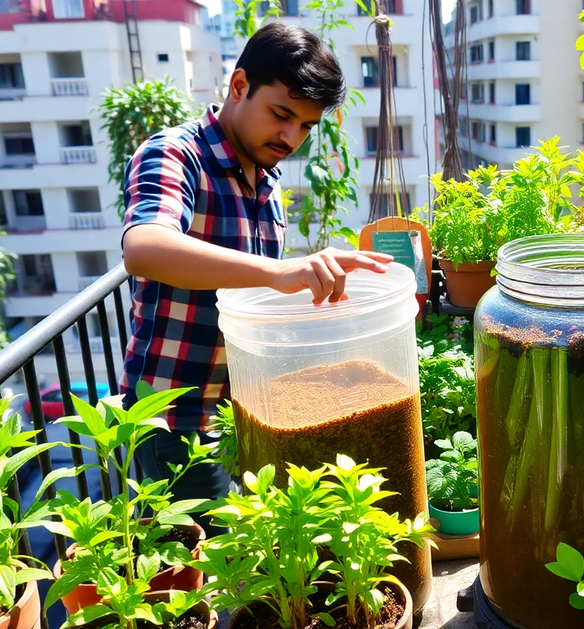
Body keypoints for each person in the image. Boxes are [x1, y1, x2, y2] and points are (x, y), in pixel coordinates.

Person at [118, 23, 392, 526]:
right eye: (281, 115)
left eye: (307, 126)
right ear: (239, 86)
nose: (291, 137)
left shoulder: (266, 178)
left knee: (249, 562)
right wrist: (278, 271)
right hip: (175, 417)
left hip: (243, 413)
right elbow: (144, 247)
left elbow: (261, 291)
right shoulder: (178, 154)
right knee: (191, 579)